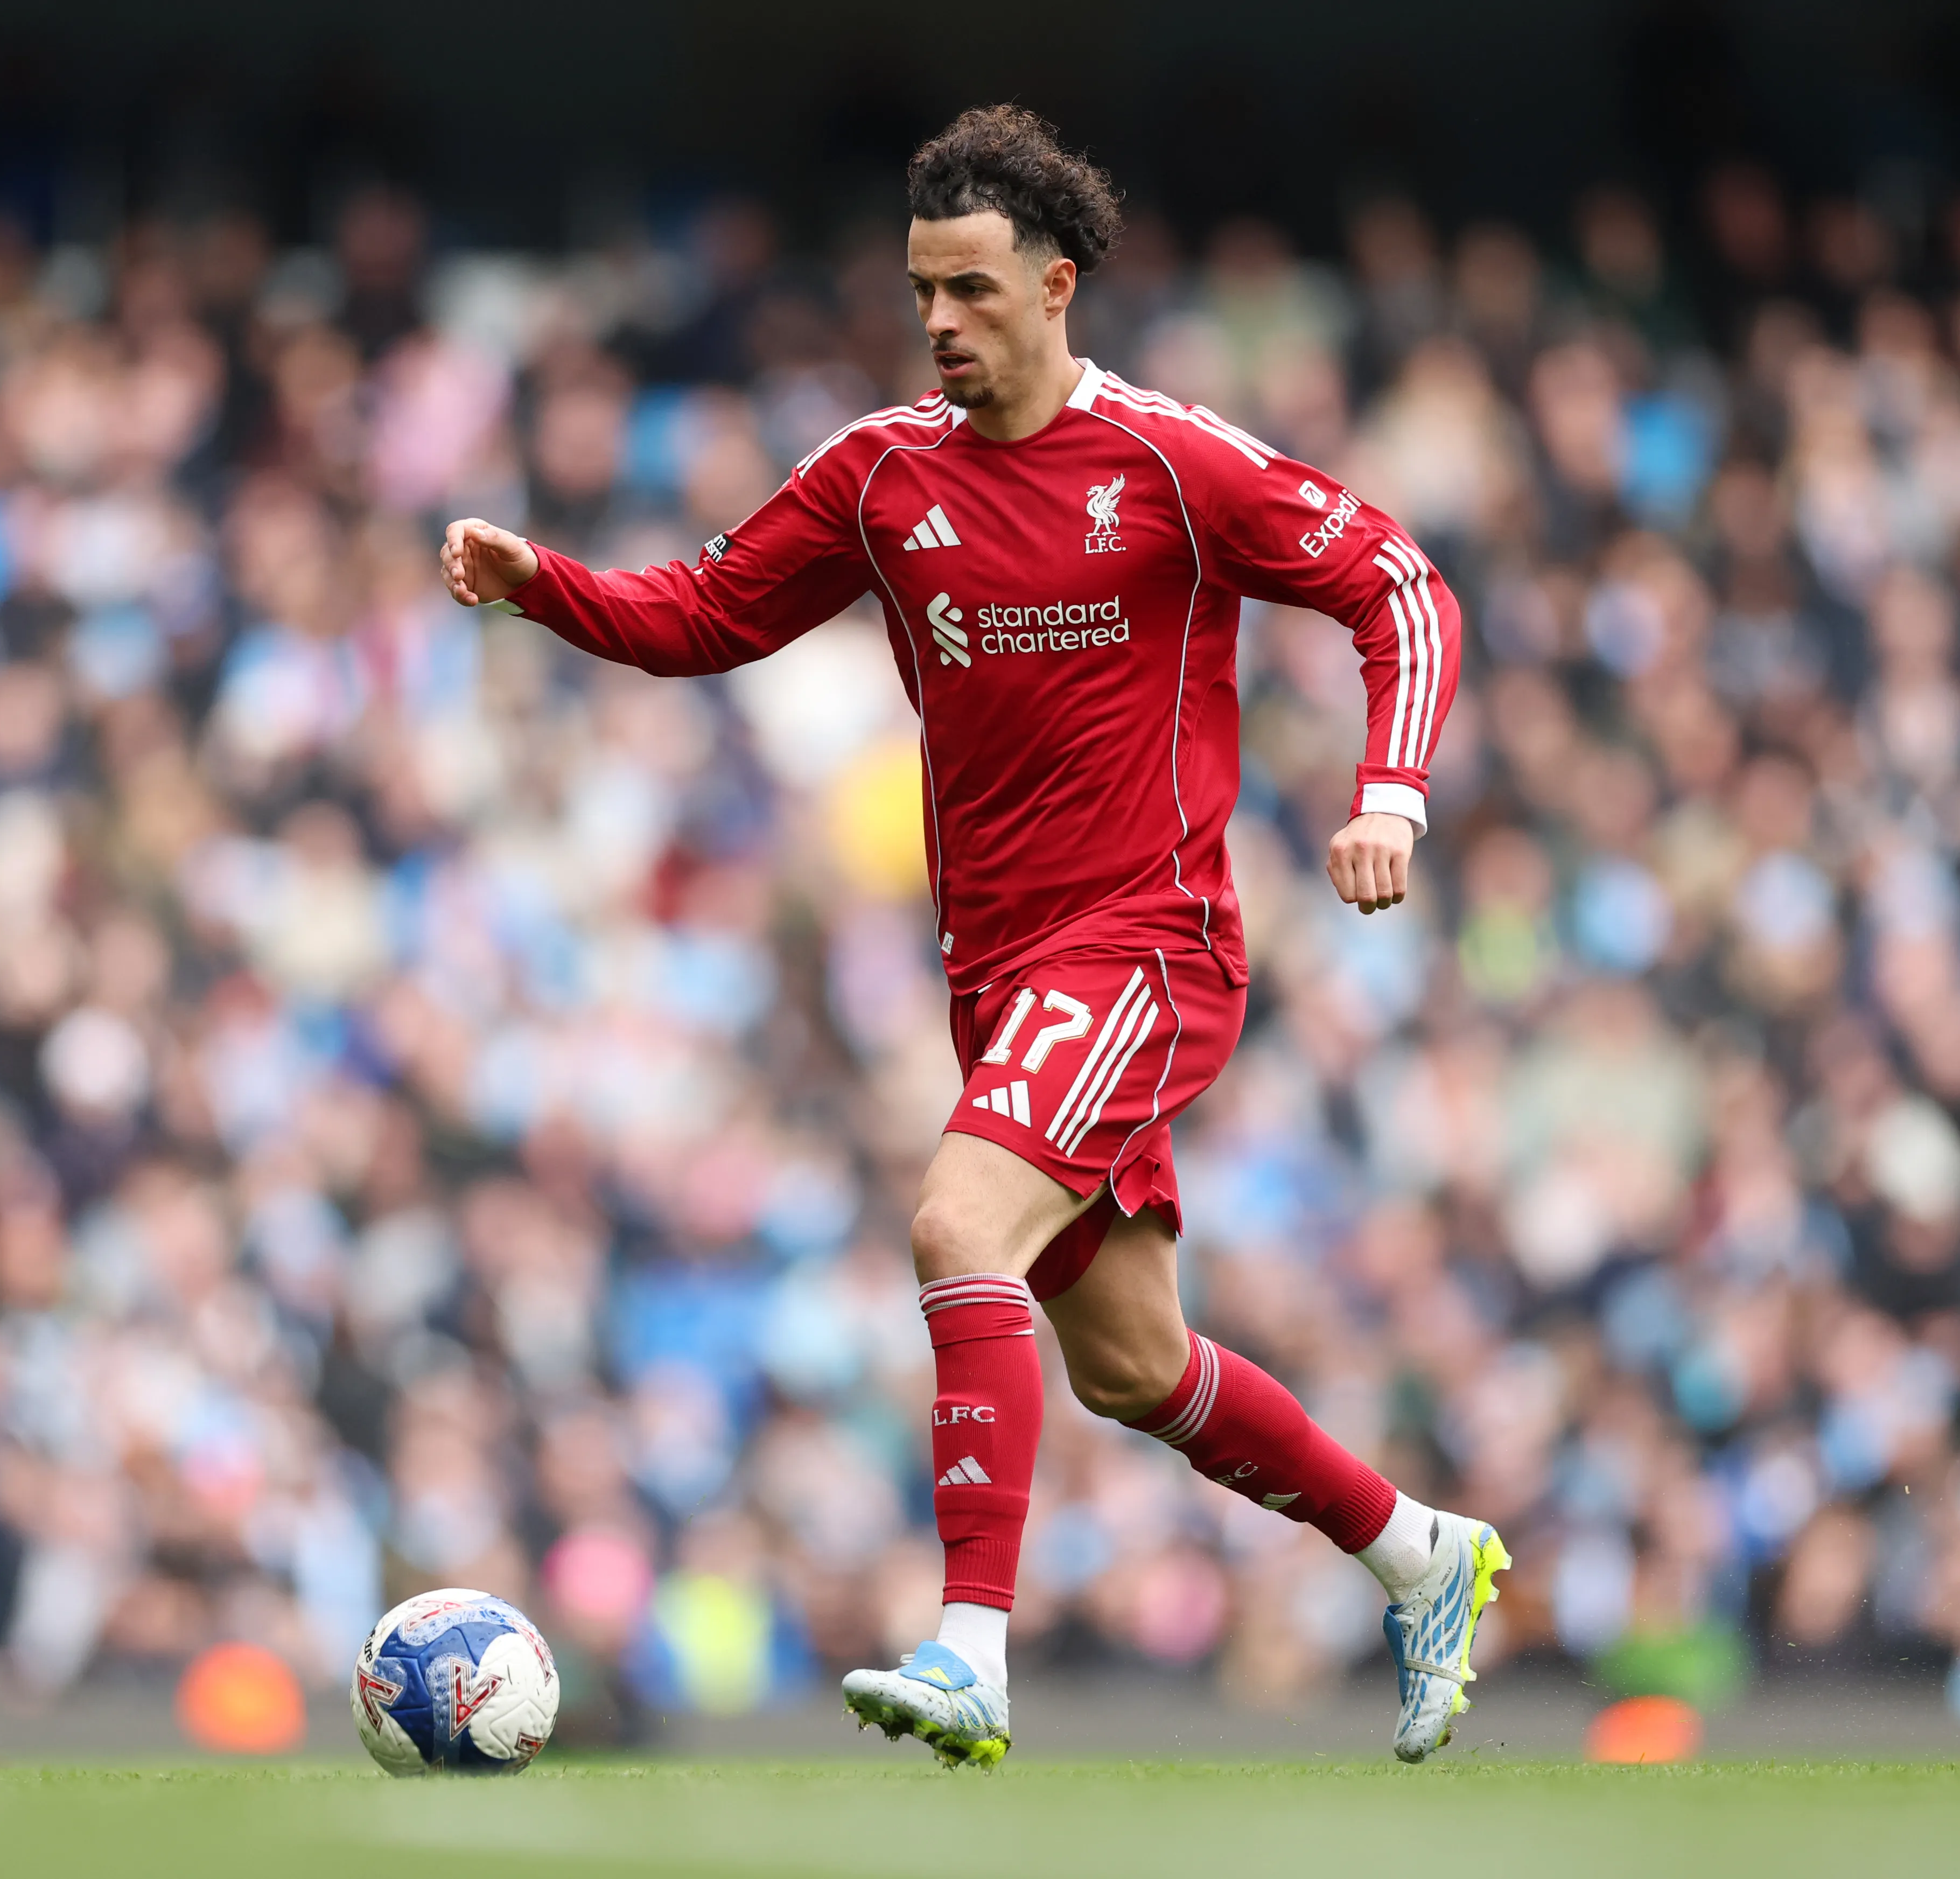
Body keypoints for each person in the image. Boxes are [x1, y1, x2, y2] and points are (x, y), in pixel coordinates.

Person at [440, 104, 1502, 1768]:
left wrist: (1391, 795)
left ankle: (970, 1655)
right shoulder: (883, 478)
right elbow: (707, 614)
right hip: (1000, 980)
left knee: (955, 1222)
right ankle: (1420, 1555)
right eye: (924, 289)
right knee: (1135, 1369)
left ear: (1061, 287)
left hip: (1150, 946)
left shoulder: (1168, 462)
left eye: (975, 291)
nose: (941, 321)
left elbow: (1400, 584)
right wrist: (542, 585)